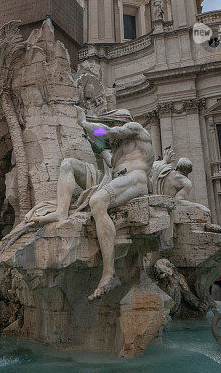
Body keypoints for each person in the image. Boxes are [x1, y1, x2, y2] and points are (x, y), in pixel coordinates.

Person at [32, 106, 155, 302]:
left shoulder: (136, 128)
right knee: (68, 164)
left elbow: (110, 132)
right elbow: (105, 156)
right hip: (115, 180)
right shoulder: (115, 149)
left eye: (111, 123)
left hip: (136, 179)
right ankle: (61, 212)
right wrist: (95, 143)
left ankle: (109, 272)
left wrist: (85, 123)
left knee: (97, 201)